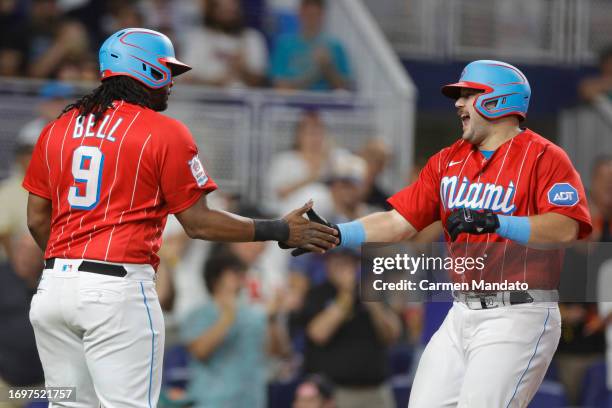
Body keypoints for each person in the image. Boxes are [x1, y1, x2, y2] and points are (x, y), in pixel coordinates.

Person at [22, 28, 337, 407]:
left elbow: (38, 219)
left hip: (54, 289)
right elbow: (198, 223)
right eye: (166, 70)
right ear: (144, 69)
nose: (171, 81)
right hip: (116, 289)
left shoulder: (58, 126)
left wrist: (70, 268)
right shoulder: (164, 131)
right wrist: (280, 228)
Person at [298, 60, 593, 407]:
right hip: (461, 312)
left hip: (519, 312)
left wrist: (500, 222)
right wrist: (334, 232)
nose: (458, 103)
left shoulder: (545, 157)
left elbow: (567, 227)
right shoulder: (447, 160)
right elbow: (397, 222)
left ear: (498, 100)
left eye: (468, 94)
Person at [293, 249, 400, 408]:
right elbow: (318, 334)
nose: (342, 267)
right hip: (335, 394)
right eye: (336, 261)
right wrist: (346, 294)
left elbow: (392, 335)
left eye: (347, 262)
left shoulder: (372, 290)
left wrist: (373, 303)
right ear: (327, 264)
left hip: (377, 390)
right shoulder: (317, 294)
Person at [180, 254, 289, 408]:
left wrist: (272, 318)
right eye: (234, 273)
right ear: (215, 279)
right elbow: (199, 351)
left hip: (251, 400)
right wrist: (227, 318)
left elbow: (277, 352)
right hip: (209, 402)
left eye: (242, 273)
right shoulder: (197, 315)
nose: (241, 278)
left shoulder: (254, 315)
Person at [181, 0, 268, 88]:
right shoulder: (198, 38)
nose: (228, 12)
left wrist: (242, 70)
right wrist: (215, 83)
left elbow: (260, 81)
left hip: (244, 99)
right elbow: (186, 79)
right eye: (223, 8)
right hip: (204, 99)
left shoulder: (252, 38)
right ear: (212, 11)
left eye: (232, 8)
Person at [270, 0, 352, 91]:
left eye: (315, 15)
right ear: (300, 13)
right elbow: (279, 86)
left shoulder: (335, 46)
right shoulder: (284, 44)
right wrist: (313, 74)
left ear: (322, 15)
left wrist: (328, 67)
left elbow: (345, 88)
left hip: (326, 103)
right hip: (291, 103)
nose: (311, 20)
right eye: (308, 15)